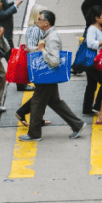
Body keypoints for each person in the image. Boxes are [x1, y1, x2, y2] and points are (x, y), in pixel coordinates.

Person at [19, 10, 85, 141]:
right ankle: (77, 124)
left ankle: (34, 133)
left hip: (46, 76)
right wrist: (32, 49)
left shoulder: (52, 38)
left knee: (37, 103)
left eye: (39, 20)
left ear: (46, 23)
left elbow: (54, 61)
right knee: (55, 102)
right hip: (48, 75)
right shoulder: (48, 34)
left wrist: (42, 50)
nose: (37, 22)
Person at [81, 6, 102, 116]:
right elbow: (91, 43)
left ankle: (87, 109)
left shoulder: (96, 28)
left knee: (91, 85)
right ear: (97, 18)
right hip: (94, 62)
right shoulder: (93, 29)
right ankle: (97, 107)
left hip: (92, 62)